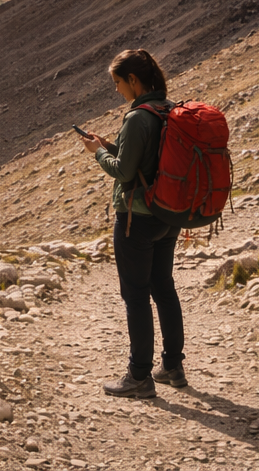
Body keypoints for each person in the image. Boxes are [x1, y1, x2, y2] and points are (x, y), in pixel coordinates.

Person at [79, 48, 186, 398]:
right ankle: (172, 366)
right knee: (164, 288)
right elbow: (147, 160)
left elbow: (124, 172)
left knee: (136, 296)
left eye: (118, 83)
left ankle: (139, 376)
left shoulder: (137, 117)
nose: (117, 90)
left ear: (134, 80)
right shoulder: (166, 108)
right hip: (168, 216)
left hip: (136, 219)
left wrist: (97, 153)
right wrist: (110, 144)